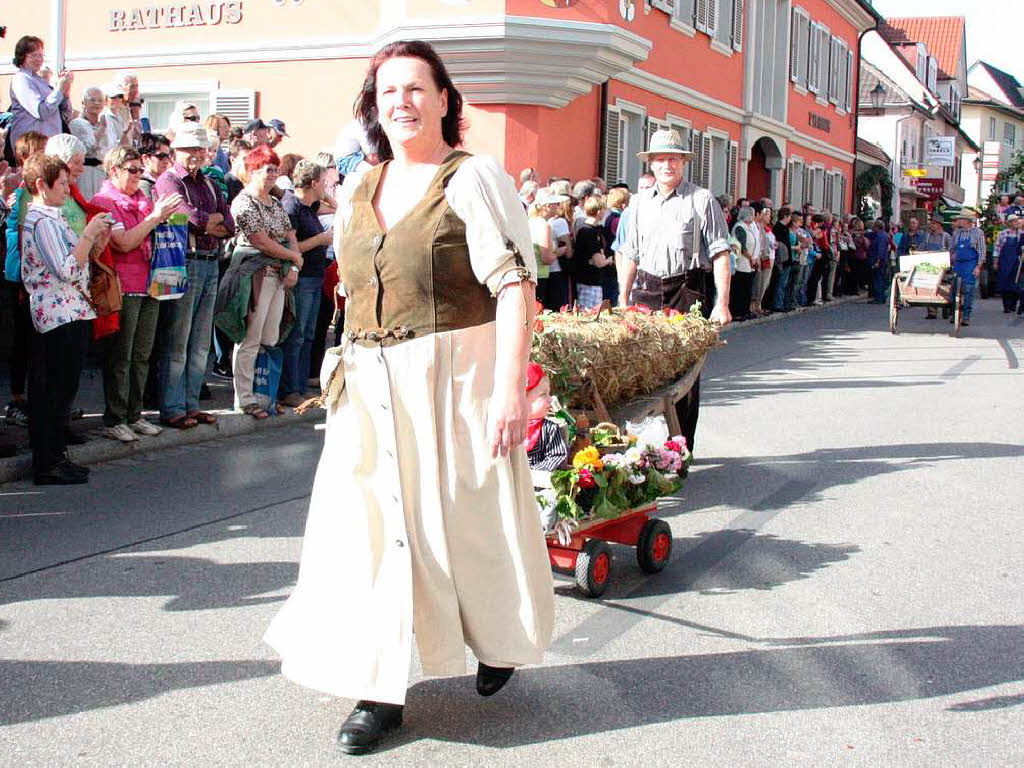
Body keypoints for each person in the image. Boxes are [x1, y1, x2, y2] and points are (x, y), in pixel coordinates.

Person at [263, 40, 554, 755]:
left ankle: (499, 636)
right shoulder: (359, 186)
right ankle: (379, 689)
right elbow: (354, 288)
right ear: (374, 104)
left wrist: (511, 391)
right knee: (367, 537)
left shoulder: (473, 177)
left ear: (445, 99)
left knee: (468, 522)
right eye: (388, 90)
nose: (402, 101)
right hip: (367, 384)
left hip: (452, 377)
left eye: (417, 88)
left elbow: (515, 287)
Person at [618, 128, 731, 452]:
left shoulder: (701, 199)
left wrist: (722, 303)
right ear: (651, 164)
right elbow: (630, 255)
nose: (667, 165)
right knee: (642, 370)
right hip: (646, 290)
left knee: (684, 376)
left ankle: (681, 447)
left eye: (673, 159)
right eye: (660, 159)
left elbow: (721, 253)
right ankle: (645, 449)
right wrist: (623, 299)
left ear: (683, 162)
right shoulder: (638, 204)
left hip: (687, 288)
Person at [20, 154, 113, 484]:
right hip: (57, 314)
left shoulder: (52, 217)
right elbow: (64, 269)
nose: (67, 188)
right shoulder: (41, 220)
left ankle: (55, 455)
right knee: (54, 390)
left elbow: (76, 261)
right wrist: (88, 235)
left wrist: (94, 238)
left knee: (63, 388)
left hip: (69, 310)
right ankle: (46, 462)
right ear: (41, 186)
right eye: (60, 184)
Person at [91, 146, 182, 442]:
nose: (137, 176)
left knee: (142, 355)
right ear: (113, 170)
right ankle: (115, 417)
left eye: (139, 171)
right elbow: (124, 243)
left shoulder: (143, 199)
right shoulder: (104, 201)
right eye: (131, 170)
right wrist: (155, 217)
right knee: (122, 356)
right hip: (124, 286)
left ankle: (134, 413)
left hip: (151, 284)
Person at [154, 123, 235, 429]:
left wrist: (207, 222)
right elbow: (189, 218)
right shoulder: (168, 180)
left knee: (200, 341)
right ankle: (173, 406)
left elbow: (228, 223)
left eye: (199, 149)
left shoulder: (211, 184)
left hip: (209, 260)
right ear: (176, 151)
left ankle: (191, 403)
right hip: (179, 262)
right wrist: (207, 222)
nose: (195, 154)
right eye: (189, 149)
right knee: (177, 339)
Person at [278, 159, 332, 407]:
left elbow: (338, 207)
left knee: (307, 334)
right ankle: (290, 388)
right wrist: (320, 239)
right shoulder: (291, 206)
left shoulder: (309, 206)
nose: (327, 187)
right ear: (313, 183)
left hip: (314, 276)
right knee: (296, 334)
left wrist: (328, 198)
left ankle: (299, 386)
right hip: (300, 278)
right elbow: (288, 247)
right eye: (323, 182)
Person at [6, 36, 73, 159]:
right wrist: (59, 89)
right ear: (22, 57)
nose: (39, 59)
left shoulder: (42, 82)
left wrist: (65, 92)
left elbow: (66, 116)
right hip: (32, 146)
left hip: (50, 145)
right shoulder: (21, 79)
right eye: (34, 55)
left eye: (41, 55)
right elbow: (41, 111)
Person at [69, 87, 115, 200]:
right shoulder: (77, 124)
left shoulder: (107, 123)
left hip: (103, 172)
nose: (97, 103)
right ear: (83, 103)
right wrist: (101, 130)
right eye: (92, 100)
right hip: (86, 172)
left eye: (100, 100)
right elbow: (88, 149)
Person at [528, 186, 567, 311]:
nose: (558, 205)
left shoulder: (531, 221)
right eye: (555, 203)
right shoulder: (544, 226)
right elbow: (547, 258)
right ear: (547, 206)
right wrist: (559, 251)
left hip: (533, 274)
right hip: (541, 276)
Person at [949, 210, 986, 327]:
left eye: (960, 219)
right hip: (958, 265)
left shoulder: (977, 233)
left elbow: (981, 251)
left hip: (970, 265)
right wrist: (951, 256)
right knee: (954, 290)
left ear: (967, 221)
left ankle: (966, 316)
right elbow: (951, 248)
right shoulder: (957, 233)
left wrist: (978, 267)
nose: (958, 221)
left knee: (969, 291)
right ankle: (955, 314)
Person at [921, 213, 953, 320]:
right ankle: (932, 312)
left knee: (944, 286)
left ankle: (946, 306)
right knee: (930, 286)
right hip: (929, 266)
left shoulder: (946, 236)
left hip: (942, 267)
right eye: (931, 223)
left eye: (933, 224)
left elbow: (951, 251)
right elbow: (922, 248)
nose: (931, 225)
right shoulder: (927, 236)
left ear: (939, 225)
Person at [730, 205, 757, 320]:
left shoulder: (748, 227)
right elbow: (742, 246)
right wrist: (751, 258)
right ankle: (738, 312)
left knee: (747, 289)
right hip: (742, 263)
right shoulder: (739, 227)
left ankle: (745, 310)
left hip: (748, 264)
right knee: (740, 289)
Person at [993, 214, 1024, 314]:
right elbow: (997, 248)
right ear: (1009, 223)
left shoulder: (1021, 234)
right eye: (1014, 221)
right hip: (1005, 262)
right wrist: (995, 261)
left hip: (1017, 262)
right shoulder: (1003, 233)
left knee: (1016, 284)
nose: (1016, 223)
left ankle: (1013, 305)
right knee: (1004, 283)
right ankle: (1006, 306)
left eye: (1016, 221)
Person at [771, 207, 796, 312]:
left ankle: (784, 303)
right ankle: (778, 304)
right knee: (781, 283)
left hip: (787, 259)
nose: (790, 218)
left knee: (785, 283)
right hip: (782, 260)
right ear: (785, 216)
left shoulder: (784, 227)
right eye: (789, 216)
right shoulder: (779, 228)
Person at [138, 132, 172, 200]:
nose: (166, 161)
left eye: (167, 156)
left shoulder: (169, 181)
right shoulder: (143, 185)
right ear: (146, 158)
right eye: (161, 156)